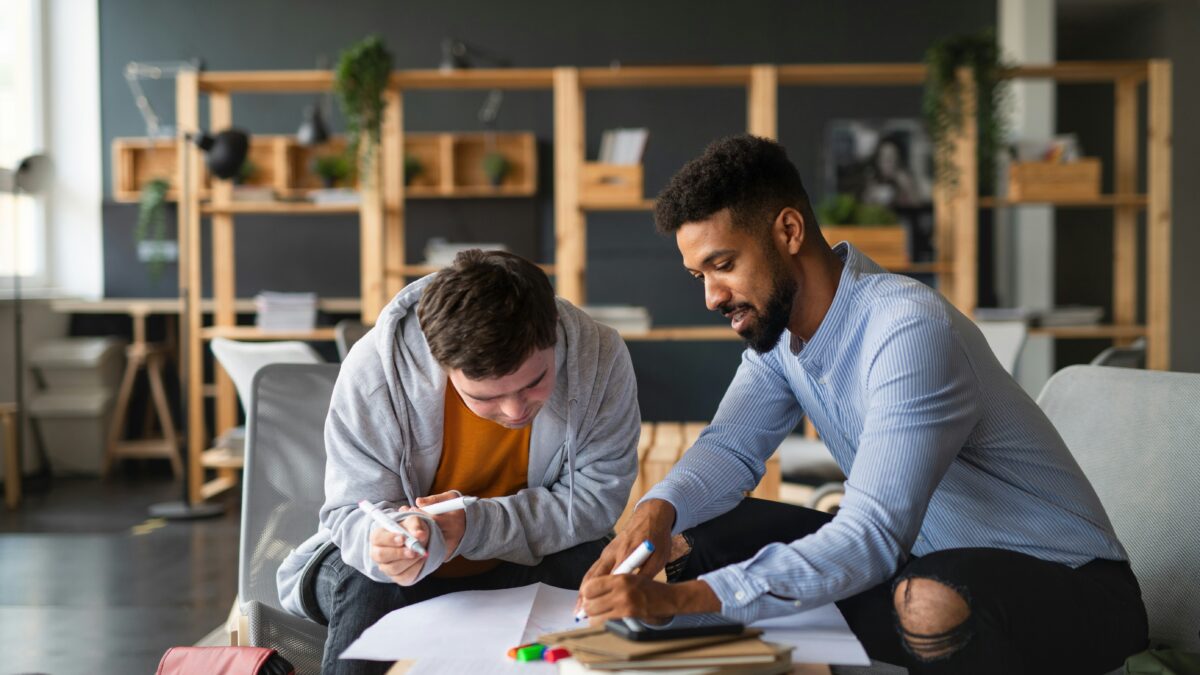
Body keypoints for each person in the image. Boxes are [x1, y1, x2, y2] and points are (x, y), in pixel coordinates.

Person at [577, 135, 1147, 673]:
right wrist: (657, 510)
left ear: (789, 230)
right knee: (692, 536)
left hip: (1071, 587)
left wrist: (684, 599)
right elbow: (728, 448)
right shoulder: (779, 338)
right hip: (919, 560)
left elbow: (872, 533)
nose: (711, 296)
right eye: (699, 274)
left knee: (927, 601)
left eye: (724, 265)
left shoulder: (907, 327)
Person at [278, 250, 640, 675]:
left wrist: (473, 526)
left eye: (535, 382)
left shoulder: (598, 356)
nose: (514, 411)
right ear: (442, 363)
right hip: (391, 574)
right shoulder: (375, 369)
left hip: (523, 559)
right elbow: (350, 512)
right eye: (484, 398)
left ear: (554, 337)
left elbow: (596, 501)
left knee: (590, 568)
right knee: (372, 585)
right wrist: (383, 544)